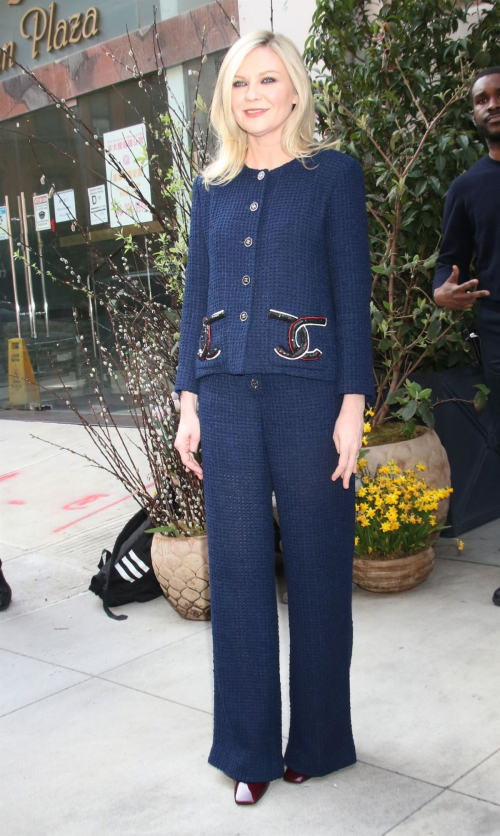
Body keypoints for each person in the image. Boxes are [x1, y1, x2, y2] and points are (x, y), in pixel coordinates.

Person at [173, 30, 374, 805]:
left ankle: (319, 741)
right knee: (240, 573)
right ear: (227, 98)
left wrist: (351, 407)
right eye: (239, 83)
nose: (253, 94)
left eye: (267, 79)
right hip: (223, 399)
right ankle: (247, 749)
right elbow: (197, 298)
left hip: (309, 399)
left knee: (321, 567)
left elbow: (351, 299)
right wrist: (188, 400)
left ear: (294, 89)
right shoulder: (211, 189)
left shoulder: (333, 177)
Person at [432, 66, 500, 608]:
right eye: (483, 99)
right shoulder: (467, 187)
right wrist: (441, 293)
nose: (492, 104)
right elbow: (446, 265)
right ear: (474, 113)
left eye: (499, 95)